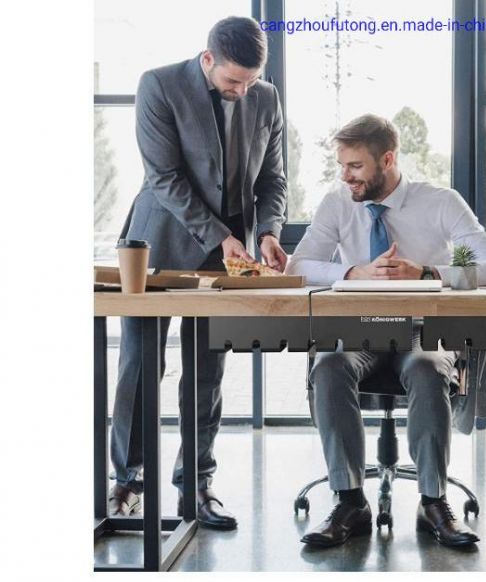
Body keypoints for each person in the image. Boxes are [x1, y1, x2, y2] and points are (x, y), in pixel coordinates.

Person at [287, 114, 486, 547]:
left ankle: (433, 503)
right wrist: (356, 271)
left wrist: (429, 272)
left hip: (423, 330)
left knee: (427, 368)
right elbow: (300, 266)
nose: (345, 176)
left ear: (387, 159)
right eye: (341, 166)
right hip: (361, 328)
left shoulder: (440, 201)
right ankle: (350, 500)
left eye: (355, 166)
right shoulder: (337, 203)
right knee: (330, 366)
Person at [108, 16, 289, 530]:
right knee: (141, 367)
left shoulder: (265, 98)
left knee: (206, 374)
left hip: (228, 256)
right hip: (157, 247)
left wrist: (270, 232)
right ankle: (127, 480)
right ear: (207, 59)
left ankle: (197, 486)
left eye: (251, 81)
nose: (243, 91)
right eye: (234, 80)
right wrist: (221, 235)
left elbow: (273, 178)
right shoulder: (159, 85)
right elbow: (163, 178)